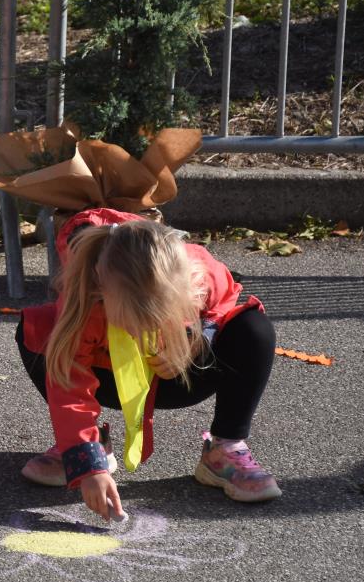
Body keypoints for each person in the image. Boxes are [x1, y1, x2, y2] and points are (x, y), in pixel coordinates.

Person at [15, 209, 281, 518]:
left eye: (158, 318)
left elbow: (224, 302)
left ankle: (224, 449)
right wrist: (87, 466)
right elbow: (69, 385)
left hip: (179, 377)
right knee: (39, 330)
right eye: (133, 320)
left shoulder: (197, 269)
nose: (144, 330)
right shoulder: (85, 298)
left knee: (253, 328)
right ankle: (91, 446)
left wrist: (195, 340)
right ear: (102, 290)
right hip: (111, 379)